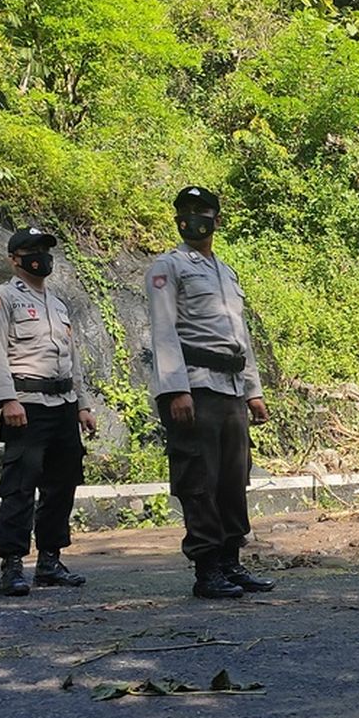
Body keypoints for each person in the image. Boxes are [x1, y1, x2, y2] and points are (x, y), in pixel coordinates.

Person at [145, 186, 274, 598]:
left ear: (217, 220)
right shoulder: (169, 266)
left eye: (201, 210)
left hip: (231, 388)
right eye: (184, 210)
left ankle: (231, 562)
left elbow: (240, 337)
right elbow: (163, 331)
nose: (192, 217)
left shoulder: (227, 273)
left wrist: (253, 391)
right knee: (199, 478)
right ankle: (207, 570)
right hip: (195, 386)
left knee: (233, 480)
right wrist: (176, 389)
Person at [0, 227, 96, 596]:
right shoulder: (0, 298)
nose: (40, 257)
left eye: (45, 249)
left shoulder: (58, 305)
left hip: (63, 404)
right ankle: (12, 565)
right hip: (25, 405)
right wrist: (6, 400)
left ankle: (49, 561)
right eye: (32, 250)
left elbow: (72, 358)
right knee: (19, 486)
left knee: (62, 484)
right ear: (14, 259)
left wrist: (83, 405)